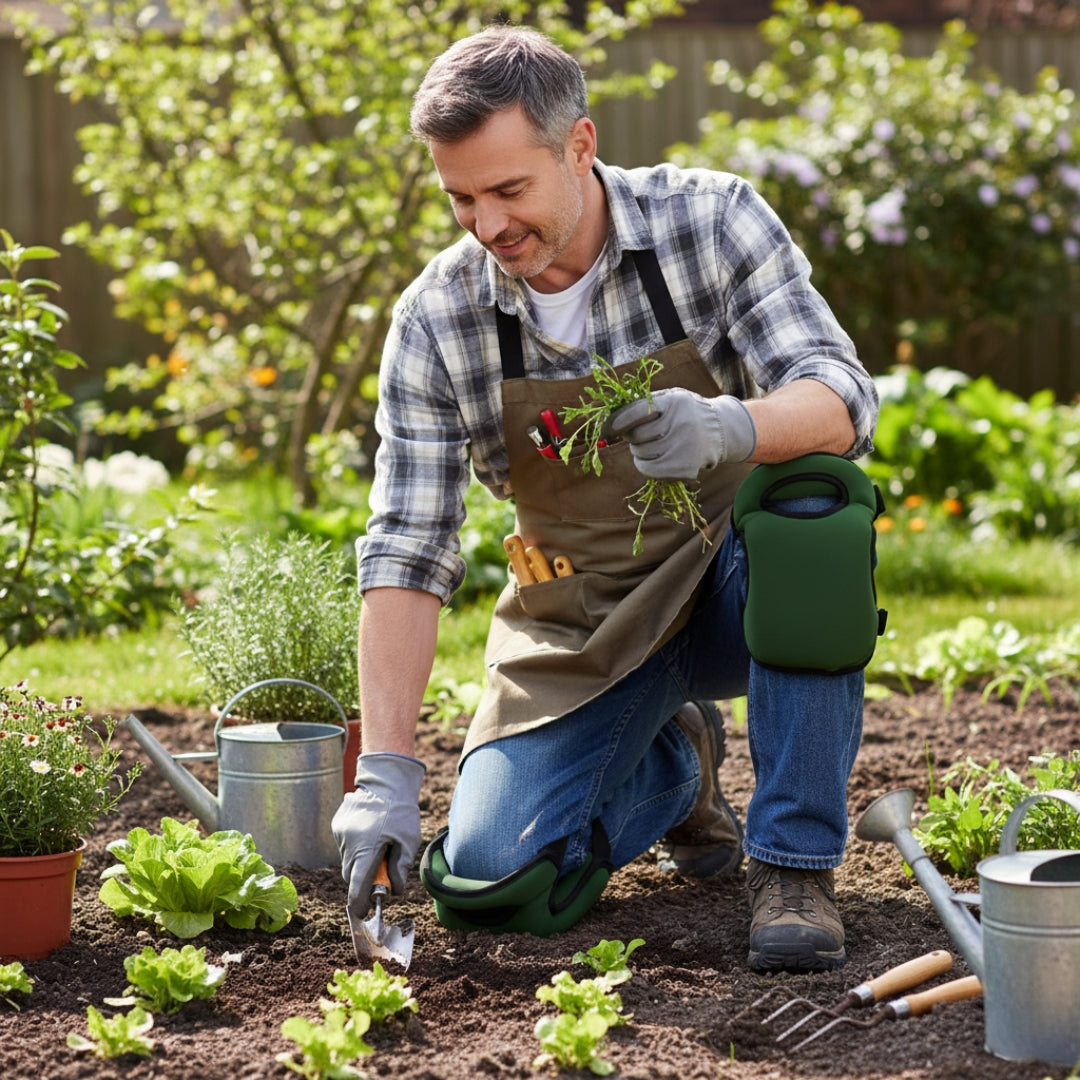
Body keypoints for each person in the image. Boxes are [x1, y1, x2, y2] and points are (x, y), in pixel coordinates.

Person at [332, 24, 880, 974]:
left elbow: (839, 393)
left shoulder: (709, 223)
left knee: (818, 516)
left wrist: (732, 427)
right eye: (460, 197)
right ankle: (675, 765)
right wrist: (383, 773)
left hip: (734, 585)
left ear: (579, 146)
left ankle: (792, 863)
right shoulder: (437, 320)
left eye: (509, 190)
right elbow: (407, 549)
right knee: (489, 886)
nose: (487, 225)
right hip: (581, 617)